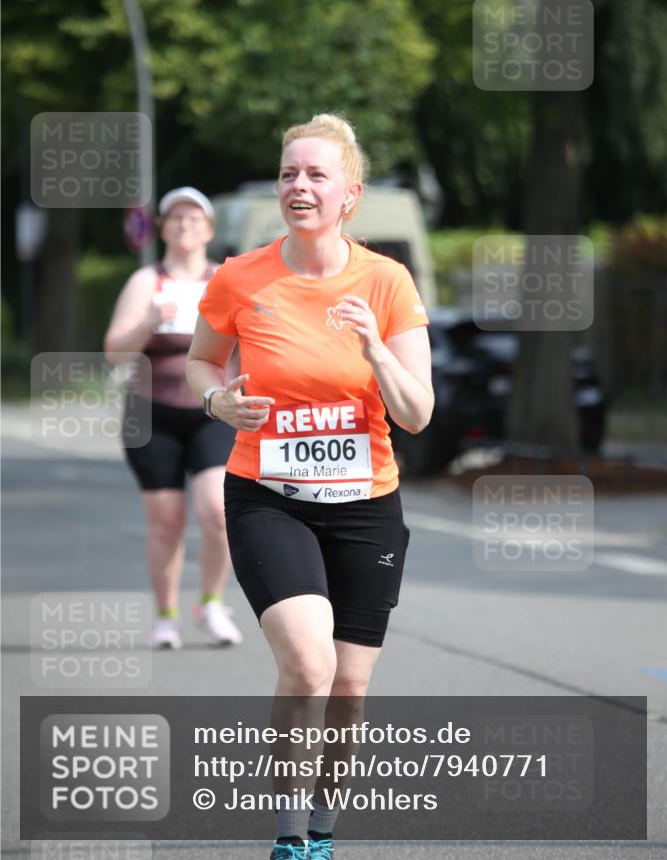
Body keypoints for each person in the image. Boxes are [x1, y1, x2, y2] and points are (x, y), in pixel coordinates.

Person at [186, 115, 433, 859]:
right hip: (268, 496)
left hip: (366, 506)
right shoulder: (240, 276)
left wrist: (372, 352)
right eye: (289, 172)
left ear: (348, 196)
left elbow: (417, 414)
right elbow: (203, 361)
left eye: (316, 175)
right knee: (308, 662)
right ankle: (289, 837)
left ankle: (322, 832)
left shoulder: (386, 282)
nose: (298, 185)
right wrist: (215, 401)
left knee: (348, 691)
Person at [104, 187, 242, 650]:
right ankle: (165, 615)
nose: (185, 225)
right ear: (162, 228)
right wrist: (147, 322)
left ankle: (212, 602)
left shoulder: (225, 279)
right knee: (166, 521)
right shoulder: (148, 281)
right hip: (153, 415)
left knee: (218, 513)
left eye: (194, 218)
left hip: (213, 412)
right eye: (175, 218)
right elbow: (114, 353)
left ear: (209, 228)